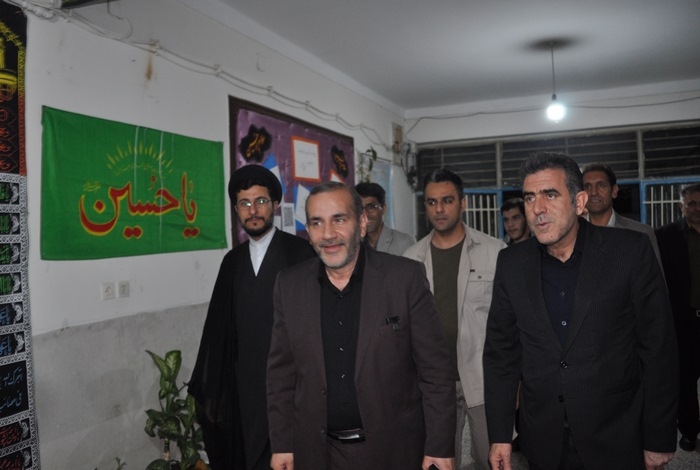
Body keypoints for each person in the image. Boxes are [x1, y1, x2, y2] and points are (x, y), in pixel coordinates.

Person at [483, 152, 678, 470]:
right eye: (529, 197)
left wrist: (658, 437)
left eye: (550, 195)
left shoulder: (630, 251)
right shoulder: (511, 263)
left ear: (579, 202)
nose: (537, 209)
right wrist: (501, 435)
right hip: (543, 439)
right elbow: (501, 355)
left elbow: (659, 350)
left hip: (617, 433)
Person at [267, 182, 456, 470]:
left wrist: (439, 446)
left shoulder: (404, 279)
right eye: (317, 223)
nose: (328, 234)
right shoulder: (289, 286)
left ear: (363, 223)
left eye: (339, 219)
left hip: (395, 452)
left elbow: (436, 371)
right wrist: (282, 445)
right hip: (316, 453)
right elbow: (281, 376)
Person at [188, 165, 316, 469]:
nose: (253, 210)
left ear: (275, 205)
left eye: (260, 201)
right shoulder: (231, 263)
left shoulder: (302, 254)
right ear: (236, 209)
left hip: (294, 384)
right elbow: (218, 331)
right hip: (245, 386)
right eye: (244, 203)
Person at [404, 169, 505, 470]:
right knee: (439, 461)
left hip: (483, 381)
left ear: (463, 203)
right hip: (432, 386)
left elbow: (511, 325)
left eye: (447, 200)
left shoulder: (494, 252)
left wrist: (515, 385)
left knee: (493, 460)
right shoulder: (410, 260)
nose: (439, 209)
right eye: (432, 202)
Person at [656, 182, 700, 452]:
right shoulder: (665, 236)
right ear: (681, 206)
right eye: (692, 203)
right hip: (683, 320)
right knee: (685, 380)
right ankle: (689, 430)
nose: (697, 208)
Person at [582, 162, 662, 265]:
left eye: (601, 185)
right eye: (587, 186)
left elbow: (654, 275)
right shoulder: (572, 236)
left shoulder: (642, 234)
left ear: (614, 191)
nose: (593, 192)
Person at [354, 181, 416, 255]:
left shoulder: (404, 243)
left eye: (371, 207)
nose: (365, 214)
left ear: (383, 208)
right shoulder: (354, 243)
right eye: (360, 208)